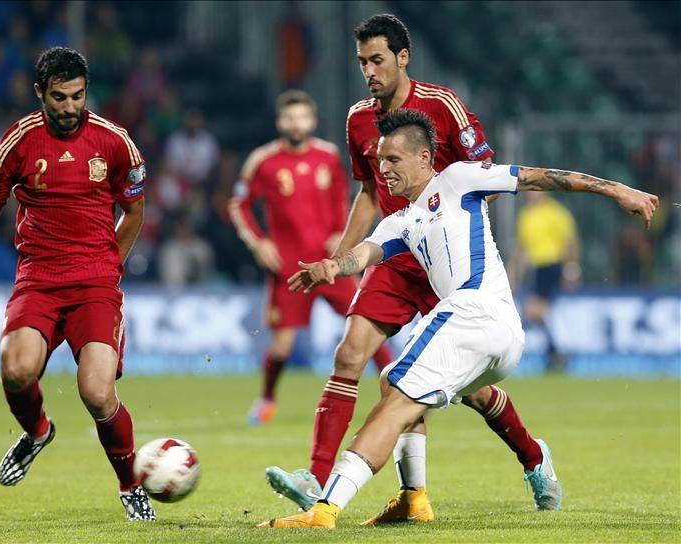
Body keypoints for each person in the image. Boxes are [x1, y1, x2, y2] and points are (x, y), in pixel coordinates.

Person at [260, 109, 658, 529]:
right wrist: (331, 266)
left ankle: (325, 510)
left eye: (393, 159)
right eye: (379, 161)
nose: (383, 169)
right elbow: (363, 255)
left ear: (424, 158)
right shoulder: (400, 222)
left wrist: (618, 190)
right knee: (394, 381)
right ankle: (415, 498)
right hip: (497, 336)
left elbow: (540, 177)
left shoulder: (458, 179)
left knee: (396, 399)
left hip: (474, 313)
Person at [265, 13, 555, 520]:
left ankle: (533, 457)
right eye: (362, 62)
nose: (369, 71)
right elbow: (367, 194)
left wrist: (447, 224)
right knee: (350, 354)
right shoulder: (359, 119)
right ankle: (319, 478)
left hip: (447, 265)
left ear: (403, 57)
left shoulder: (442, 105)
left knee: (471, 391)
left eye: (377, 60)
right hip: (395, 256)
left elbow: (483, 177)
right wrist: (339, 259)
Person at [0, 47, 155, 521]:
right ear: (40, 92)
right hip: (38, 280)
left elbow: (134, 211)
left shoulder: (115, 142)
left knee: (97, 393)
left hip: (95, 285)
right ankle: (38, 431)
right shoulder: (18, 143)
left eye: (78, 96)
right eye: (60, 97)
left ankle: (130, 485)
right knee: (16, 370)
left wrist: (110, 267)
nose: (70, 107)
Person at [229, 90, 394, 425]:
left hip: (331, 262)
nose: (297, 124)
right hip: (288, 266)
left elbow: (345, 198)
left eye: (302, 117)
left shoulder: (328, 155)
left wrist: (341, 234)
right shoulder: (263, 160)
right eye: (290, 118)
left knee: (367, 323)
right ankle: (266, 399)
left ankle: (395, 393)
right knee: (282, 346)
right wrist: (258, 243)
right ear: (280, 122)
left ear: (312, 121)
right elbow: (238, 205)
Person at [511, 192, 580, 371]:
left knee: (534, 309)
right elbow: (521, 248)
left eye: (535, 190)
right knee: (537, 311)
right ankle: (555, 352)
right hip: (537, 268)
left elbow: (569, 242)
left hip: (552, 264)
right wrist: (515, 275)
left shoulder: (556, 212)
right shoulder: (526, 215)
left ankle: (557, 351)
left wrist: (571, 267)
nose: (531, 194)